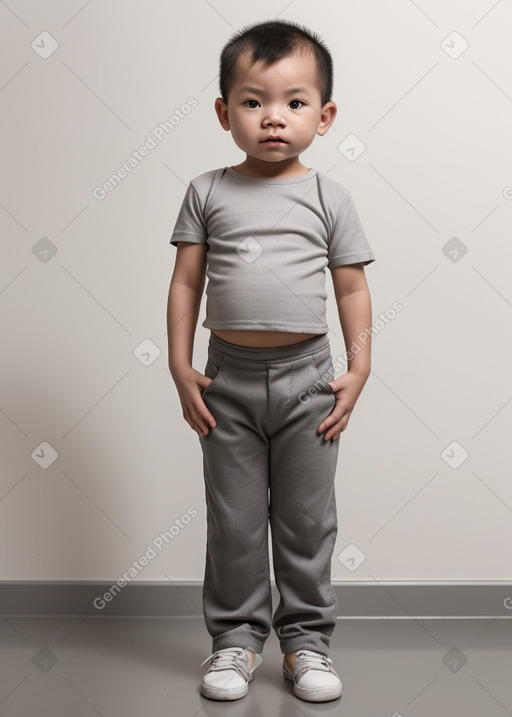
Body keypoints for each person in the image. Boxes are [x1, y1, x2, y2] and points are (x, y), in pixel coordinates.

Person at [167, 18, 375, 703]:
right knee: (232, 519)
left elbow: (350, 286)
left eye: (294, 102)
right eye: (253, 102)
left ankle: (306, 642)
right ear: (225, 112)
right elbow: (187, 284)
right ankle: (235, 639)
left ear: (326, 113)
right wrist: (178, 361)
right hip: (224, 381)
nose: (273, 119)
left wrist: (358, 367)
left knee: (308, 520)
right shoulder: (207, 191)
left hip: (308, 381)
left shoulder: (328, 196)